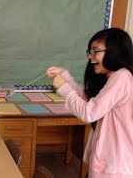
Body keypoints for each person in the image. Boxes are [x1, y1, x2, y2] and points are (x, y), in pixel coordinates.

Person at [46, 28, 133, 177]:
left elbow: (89, 112)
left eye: (95, 51)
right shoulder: (115, 77)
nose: (90, 57)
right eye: (90, 51)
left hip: (116, 168)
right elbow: (89, 99)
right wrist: (65, 76)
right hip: (110, 164)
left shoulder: (121, 77)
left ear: (115, 51)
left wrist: (64, 88)